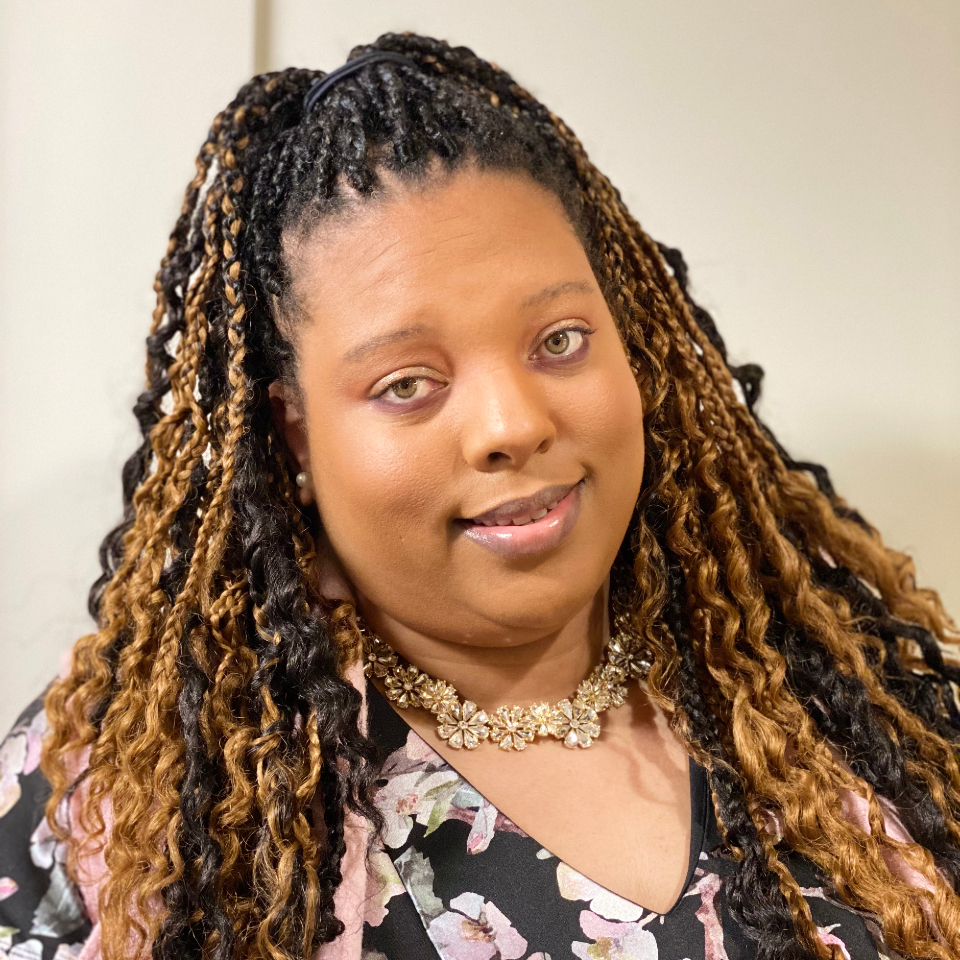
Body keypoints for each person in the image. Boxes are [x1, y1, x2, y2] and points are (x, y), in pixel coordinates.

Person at [0, 31, 958, 960]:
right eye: (407, 383)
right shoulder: (128, 787)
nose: (512, 424)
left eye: (560, 341)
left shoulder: (835, 687)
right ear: (295, 433)